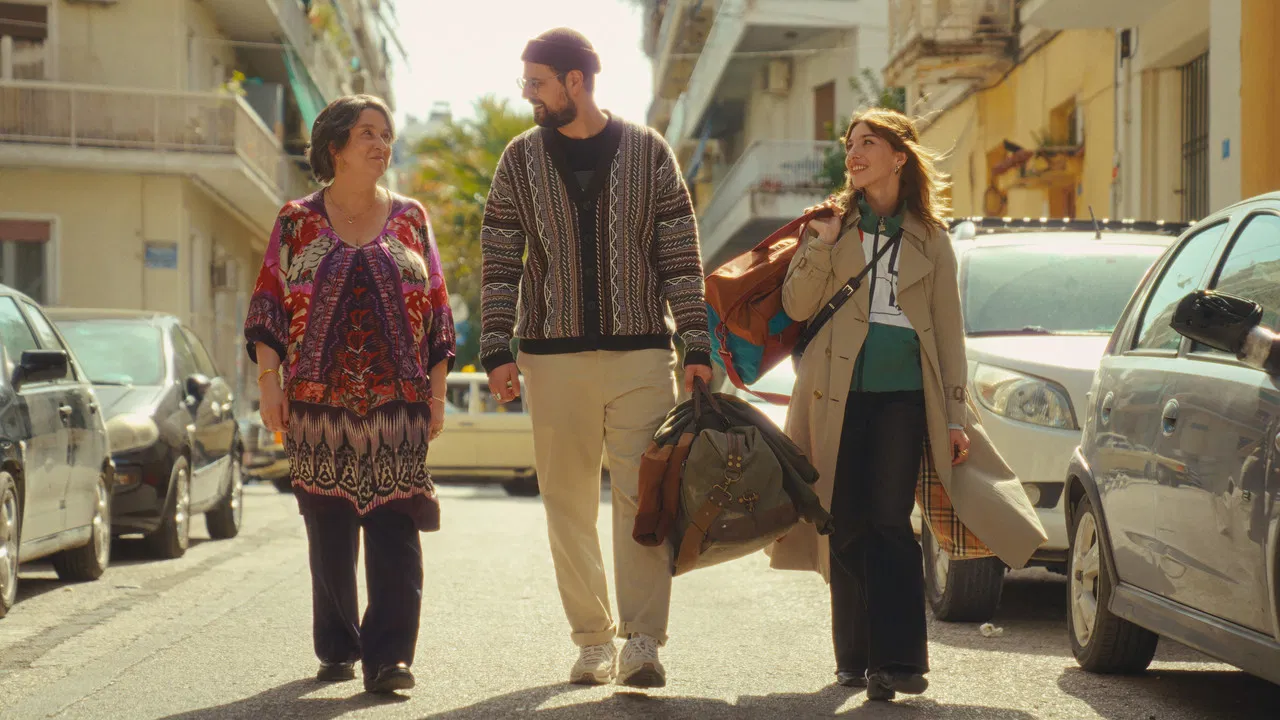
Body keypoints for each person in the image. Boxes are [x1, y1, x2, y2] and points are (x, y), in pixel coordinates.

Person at [769, 108, 1045, 701]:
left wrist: (954, 415)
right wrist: (821, 246)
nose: (854, 153)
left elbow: (948, 333)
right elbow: (796, 306)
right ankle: (854, 659)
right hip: (835, 394)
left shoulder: (932, 238)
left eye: (868, 142)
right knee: (844, 522)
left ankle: (899, 661)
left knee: (890, 521)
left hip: (904, 396)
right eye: (850, 144)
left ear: (899, 157)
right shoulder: (830, 225)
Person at [479, 28, 714, 688]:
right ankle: (591, 639)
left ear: (574, 82)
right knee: (567, 503)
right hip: (551, 358)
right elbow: (500, 259)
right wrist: (495, 346)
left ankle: (642, 640)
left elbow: (679, 256)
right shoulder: (519, 160)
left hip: (641, 352)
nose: (527, 94)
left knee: (645, 499)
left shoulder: (648, 151)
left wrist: (695, 341)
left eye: (536, 83)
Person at [244, 94, 456, 694]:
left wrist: (437, 393)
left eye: (386, 134)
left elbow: (437, 309)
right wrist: (269, 385)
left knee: (395, 528)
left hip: (398, 401)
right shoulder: (296, 221)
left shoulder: (411, 217)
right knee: (329, 529)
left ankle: (390, 659)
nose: (381, 144)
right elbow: (268, 307)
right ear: (335, 146)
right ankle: (337, 644)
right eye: (367, 133)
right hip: (316, 404)